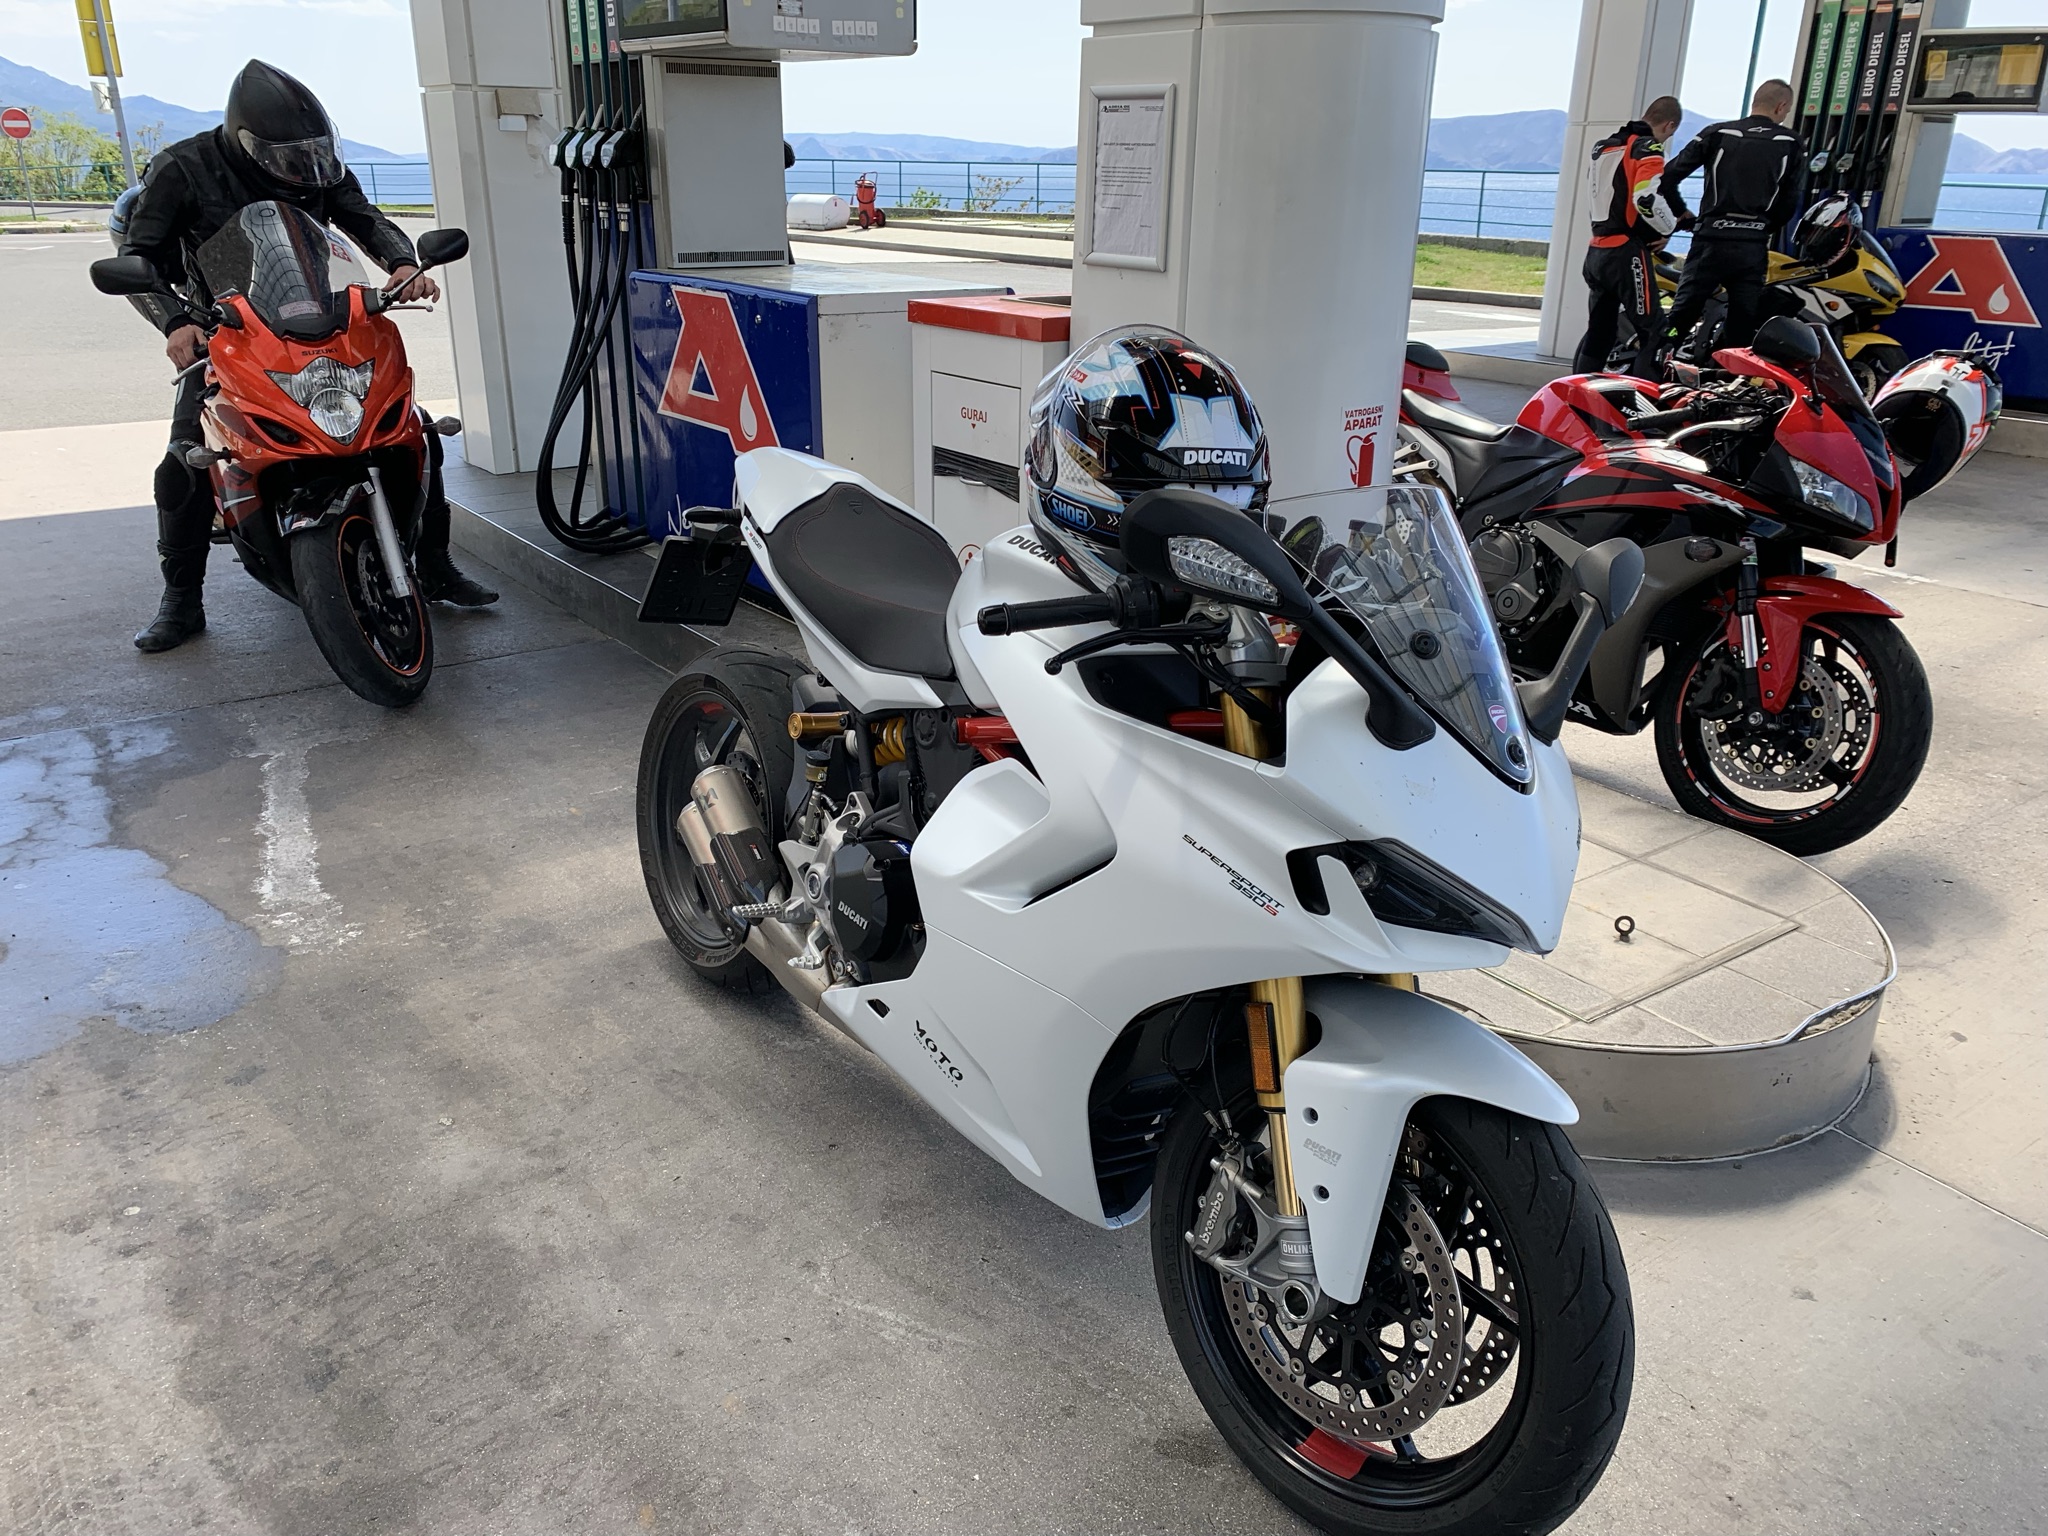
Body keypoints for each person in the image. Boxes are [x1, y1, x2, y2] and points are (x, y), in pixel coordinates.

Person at [118, 59, 497, 654]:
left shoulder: (317, 162)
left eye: (313, 157)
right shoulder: (183, 168)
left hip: (322, 314)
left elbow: (362, 217)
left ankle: (434, 564)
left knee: (408, 427)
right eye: (289, 159)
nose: (304, 171)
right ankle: (182, 600)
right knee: (184, 460)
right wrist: (176, 321)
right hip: (228, 328)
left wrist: (401, 263)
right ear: (245, 143)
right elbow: (137, 257)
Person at [1658, 78, 1805, 360]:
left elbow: (1668, 177)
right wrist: (1764, 227)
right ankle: (1726, 375)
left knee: (1681, 317)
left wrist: (1683, 213)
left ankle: (1658, 359)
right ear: (1781, 106)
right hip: (1751, 247)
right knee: (1742, 325)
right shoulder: (1791, 143)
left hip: (1710, 241)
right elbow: (1790, 201)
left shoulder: (1716, 133)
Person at [1573, 95, 1684, 378]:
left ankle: (1579, 394)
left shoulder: (1605, 146)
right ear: (1670, 125)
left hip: (1596, 251)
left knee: (1600, 332)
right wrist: (1667, 227)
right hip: (1625, 253)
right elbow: (1646, 199)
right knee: (1657, 333)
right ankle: (1648, 401)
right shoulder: (1648, 147)